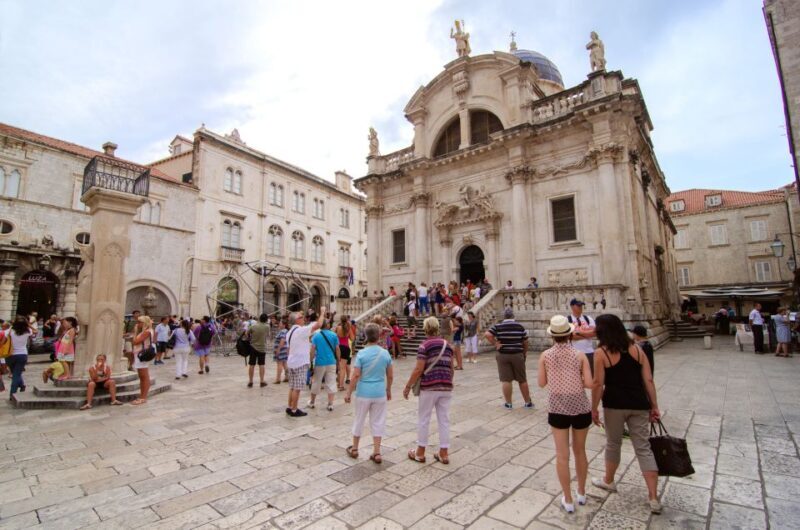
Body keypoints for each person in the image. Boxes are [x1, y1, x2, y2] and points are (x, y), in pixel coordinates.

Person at [591, 314, 662, 515]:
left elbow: (598, 384)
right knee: (643, 447)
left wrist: (594, 408)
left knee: (614, 443)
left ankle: (609, 481)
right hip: (639, 403)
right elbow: (648, 380)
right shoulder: (638, 350)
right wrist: (654, 406)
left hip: (614, 404)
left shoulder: (601, 353)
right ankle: (653, 497)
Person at [538, 315, 593, 513]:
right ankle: (581, 492)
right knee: (580, 451)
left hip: (558, 406)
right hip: (579, 405)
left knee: (562, 455)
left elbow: (542, 383)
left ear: (553, 336)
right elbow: (588, 383)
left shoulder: (545, 355)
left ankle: (567, 499)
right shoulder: (580, 355)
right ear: (570, 334)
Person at [404, 316, 454, 464]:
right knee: (444, 419)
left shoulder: (424, 346)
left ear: (425, 329)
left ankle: (420, 452)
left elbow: (419, 369)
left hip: (429, 386)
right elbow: (451, 368)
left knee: (424, 419)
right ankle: (444, 453)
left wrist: (408, 386)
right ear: (438, 328)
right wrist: (448, 382)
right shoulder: (448, 345)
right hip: (445, 386)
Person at [345, 322, 393, 463]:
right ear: (379, 336)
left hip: (363, 393)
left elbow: (355, 376)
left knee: (359, 419)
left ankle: (354, 448)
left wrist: (348, 393)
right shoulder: (385, 353)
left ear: (365, 336)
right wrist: (388, 389)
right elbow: (390, 375)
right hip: (379, 393)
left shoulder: (361, 354)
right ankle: (377, 452)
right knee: (378, 421)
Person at [485, 307, 533, 409]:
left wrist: (495, 343)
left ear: (504, 316)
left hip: (503, 355)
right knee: (522, 379)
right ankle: (527, 402)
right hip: (517, 354)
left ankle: (508, 403)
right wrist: (524, 354)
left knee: (506, 380)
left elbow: (487, 334)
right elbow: (525, 342)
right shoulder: (520, 326)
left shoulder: (498, 326)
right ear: (513, 316)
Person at [285, 307, 326, 417]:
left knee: (292, 386)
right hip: (300, 362)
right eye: (301, 317)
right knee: (297, 388)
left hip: (292, 361)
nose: (303, 318)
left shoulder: (290, 332)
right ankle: (294, 409)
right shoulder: (300, 330)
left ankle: (289, 407)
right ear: (296, 320)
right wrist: (322, 312)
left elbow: (288, 349)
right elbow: (318, 325)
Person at [309, 319, 340, 410]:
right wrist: (338, 360)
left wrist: (310, 360)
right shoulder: (334, 335)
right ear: (328, 325)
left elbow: (312, 350)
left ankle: (312, 402)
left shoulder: (316, 336)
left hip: (320, 362)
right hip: (331, 362)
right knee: (331, 382)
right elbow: (337, 349)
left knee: (316, 381)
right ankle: (330, 404)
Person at [567, 299, 596, 375]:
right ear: (572, 307)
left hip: (588, 352)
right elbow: (571, 336)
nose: (580, 307)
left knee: (590, 375)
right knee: (575, 376)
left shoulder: (588, 319)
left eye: (581, 305)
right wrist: (587, 334)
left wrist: (578, 333)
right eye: (578, 305)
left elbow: (594, 333)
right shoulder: (567, 320)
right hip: (574, 353)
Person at [131, 315, 154, 405]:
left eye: (140, 322)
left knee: (144, 376)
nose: (138, 324)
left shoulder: (147, 332)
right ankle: (142, 396)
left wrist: (135, 332)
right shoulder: (147, 331)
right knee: (142, 376)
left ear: (145, 323)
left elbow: (135, 341)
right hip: (140, 354)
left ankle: (143, 397)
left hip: (142, 355)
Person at [4, 318, 31, 398]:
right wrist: (29, 325)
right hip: (22, 354)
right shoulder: (28, 331)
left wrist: (12, 325)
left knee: (15, 374)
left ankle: (14, 392)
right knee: (17, 374)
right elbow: (35, 331)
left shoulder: (11, 331)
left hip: (10, 355)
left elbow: (5, 336)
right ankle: (19, 387)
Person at [247, 313, 270, 387]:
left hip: (253, 347)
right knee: (261, 365)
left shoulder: (253, 326)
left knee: (251, 365)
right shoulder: (267, 327)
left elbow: (246, 333)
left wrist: (250, 338)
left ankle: (250, 381)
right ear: (266, 319)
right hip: (262, 348)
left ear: (259, 318)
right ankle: (262, 381)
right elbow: (268, 335)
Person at [336, 316, 352, 391]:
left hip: (338, 347)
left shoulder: (338, 328)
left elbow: (334, 336)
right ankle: (341, 385)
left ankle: (339, 383)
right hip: (346, 348)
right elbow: (352, 338)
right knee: (343, 368)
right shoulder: (348, 328)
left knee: (339, 367)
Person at [272, 317, 289, 384]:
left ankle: (278, 378)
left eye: (280, 323)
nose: (279, 324)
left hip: (281, 350)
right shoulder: (286, 331)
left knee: (279, 364)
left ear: (284, 325)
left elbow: (282, 340)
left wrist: (278, 349)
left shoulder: (283, 331)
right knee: (285, 364)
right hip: (284, 350)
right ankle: (287, 377)